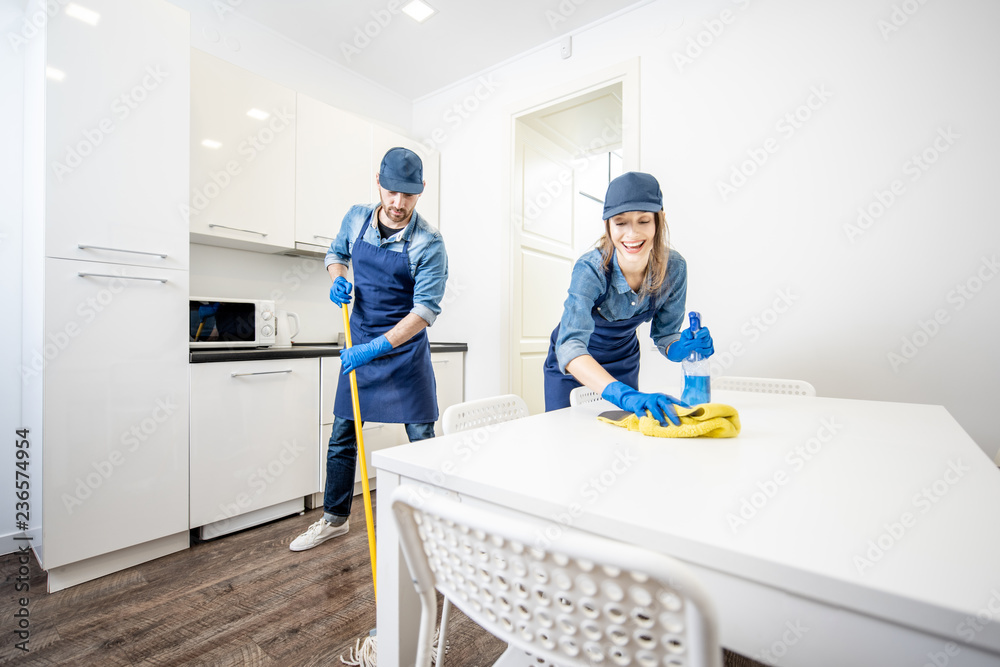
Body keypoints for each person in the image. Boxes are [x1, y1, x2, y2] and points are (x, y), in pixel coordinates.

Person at [290, 147, 448, 551]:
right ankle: (334, 519)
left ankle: (435, 525)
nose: (398, 204)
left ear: (422, 190)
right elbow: (336, 254)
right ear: (378, 182)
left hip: (403, 351)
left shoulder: (429, 242)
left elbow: (425, 311)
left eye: (408, 195)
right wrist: (337, 277)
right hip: (360, 338)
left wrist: (376, 348)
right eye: (391, 192)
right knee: (343, 434)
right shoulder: (357, 216)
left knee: (423, 438)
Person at [542, 171, 714, 425]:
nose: (632, 234)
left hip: (624, 361)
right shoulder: (591, 270)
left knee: (623, 440)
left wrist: (680, 349)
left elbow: (665, 334)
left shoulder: (674, 268)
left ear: (659, 220)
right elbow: (569, 345)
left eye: (643, 221)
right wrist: (623, 395)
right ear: (608, 225)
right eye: (620, 223)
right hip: (574, 367)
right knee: (568, 437)